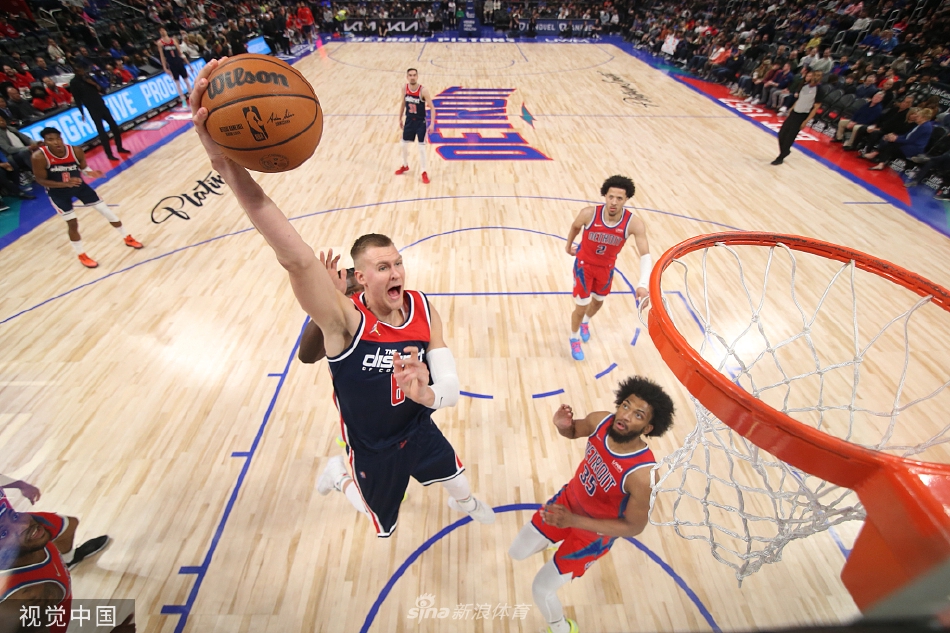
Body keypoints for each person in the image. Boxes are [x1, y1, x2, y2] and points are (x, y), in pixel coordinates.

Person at [190, 59, 493, 538]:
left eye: (398, 262)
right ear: (361, 279)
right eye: (382, 267)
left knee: (455, 474)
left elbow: (451, 386)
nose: (396, 272)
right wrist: (225, 164)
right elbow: (296, 259)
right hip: (373, 447)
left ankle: (467, 502)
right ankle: (340, 476)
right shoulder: (346, 320)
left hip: (417, 424)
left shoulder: (421, 306)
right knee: (384, 526)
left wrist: (428, 394)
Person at [508, 377, 675, 633]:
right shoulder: (600, 421)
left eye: (638, 415)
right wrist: (562, 426)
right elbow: (573, 430)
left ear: (648, 428)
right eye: (626, 405)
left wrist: (573, 522)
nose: (626, 415)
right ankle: (557, 540)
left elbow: (633, 527)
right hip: (565, 504)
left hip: (592, 535)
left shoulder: (643, 476)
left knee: (541, 588)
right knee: (517, 552)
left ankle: (562, 628)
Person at [0, 479, 129, 633]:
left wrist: (19, 485)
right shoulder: (25, 597)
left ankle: (69, 560)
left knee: (69, 524)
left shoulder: (26, 527)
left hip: (13, 525)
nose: (25, 524)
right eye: (3, 533)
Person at [565, 175, 650, 361]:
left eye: (619, 198)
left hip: (606, 268)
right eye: (611, 197)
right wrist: (568, 246)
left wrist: (643, 284)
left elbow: (645, 254)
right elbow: (575, 227)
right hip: (584, 267)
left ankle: (585, 322)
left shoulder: (634, 223)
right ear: (605, 195)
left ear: (626, 199)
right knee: (581, 306)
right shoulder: (589, 214)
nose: (613, 202)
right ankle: (574, 338)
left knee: (597, 303)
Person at [32, 127, 143, 269]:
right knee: (72, 223)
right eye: (51, 140)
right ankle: (81, 254)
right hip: (58, 193)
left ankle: (127, 237)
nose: (56, 142)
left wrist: (92, 173)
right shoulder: (39, 157)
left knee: (106, 211)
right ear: (45, 142)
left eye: (58, 138)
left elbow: (84, 168)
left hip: (79, 187)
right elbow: (41, 180)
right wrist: (64, 184)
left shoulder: (75, 151)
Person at [69, 66, 129, 162]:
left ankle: (120, 147)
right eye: (79, 70)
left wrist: (94, 84)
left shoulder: (88, 78)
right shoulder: (74, 82)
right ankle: (109, 154)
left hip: (101, 105)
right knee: (102, 133)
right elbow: (77, 98)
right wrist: (82, 112)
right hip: (93, 109)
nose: (82, 71)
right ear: (75, 71)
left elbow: (101, 89)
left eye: (82, 69)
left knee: (114, 127)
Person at [771, 70, 822, 165]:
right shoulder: (804, 86)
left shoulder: (819, 89)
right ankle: (785, 151)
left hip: (803, 115)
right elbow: (799, 99)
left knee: (790, 136)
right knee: (782, 133)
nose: (809, 77)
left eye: (811, 76)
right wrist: (791, 108)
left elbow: (816, 107)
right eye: (808, 75)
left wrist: (806, 121)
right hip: (794, 112)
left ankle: (781, 157)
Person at [394, 68, 433, 184]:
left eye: (414, 75)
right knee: (403, 145)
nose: (412, 77)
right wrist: (400, 118)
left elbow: (433, 108)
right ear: (407, 77)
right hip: (409, 121)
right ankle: (405, 165)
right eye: (410, 75)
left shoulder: (423, 91)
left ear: (417, 76)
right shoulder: (404, 88)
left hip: (420, 122)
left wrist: (432, 124)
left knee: (421, 148)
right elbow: (403, 103)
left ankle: (424, 171)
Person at [865, 108, 934, 170]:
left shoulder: (925, 127)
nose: (916, 117)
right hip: (909, 144)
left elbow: (910, 140)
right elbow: (906, 135)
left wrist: (896, 139)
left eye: (918, 116)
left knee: (891, 145)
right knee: (889, 140)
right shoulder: (920, 125)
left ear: (923, 118)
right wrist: (895, 137)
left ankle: (877, 158)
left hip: (914, 148)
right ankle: (879, 160)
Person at [157, 28, 190, 108]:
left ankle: (192, 96)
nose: (162, 32)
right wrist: (165, 68)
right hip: (172, 64)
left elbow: (180, 53)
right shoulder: (160, 43)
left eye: (163, 30)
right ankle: (183, 100)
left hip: (179, 62)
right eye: (160, 31)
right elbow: (162, 56)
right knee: (177, 83)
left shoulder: (173, 40)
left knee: (186, 80)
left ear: (166, 31)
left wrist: (188, 64)